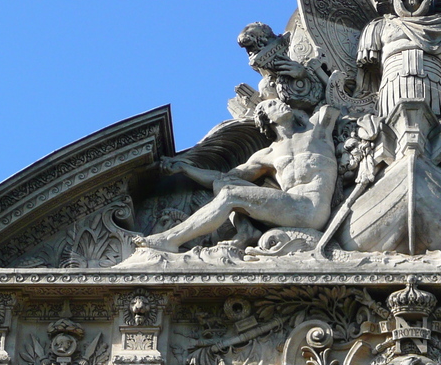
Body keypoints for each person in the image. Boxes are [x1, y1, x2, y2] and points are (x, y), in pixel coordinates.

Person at [133, 99, 338, 253]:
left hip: (312, 207)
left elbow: (337, 97)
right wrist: (184, 169)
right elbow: (222, 178)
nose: (282, 104)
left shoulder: (317, 131)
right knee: (226, 186)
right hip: (292, 206)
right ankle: (246, 232)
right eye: (273, 104)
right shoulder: (270, 153)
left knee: (231, 194)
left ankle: (170, 239)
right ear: (267, 119)